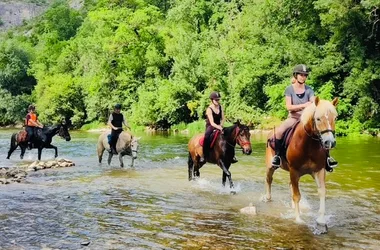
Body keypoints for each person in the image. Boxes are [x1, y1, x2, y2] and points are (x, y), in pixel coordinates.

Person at [271, 64, 338, 169]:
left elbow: (313, 101)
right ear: (296, 75)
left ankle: (327, 158)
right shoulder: (289, 89)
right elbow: (288, 106)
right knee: (279, 132)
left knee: (322, 132)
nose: (303, 77)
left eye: (305, 75)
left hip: (306, 120)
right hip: (293, 118)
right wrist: (303, 105)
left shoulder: (309, 89)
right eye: (301, 75)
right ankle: (278, 156)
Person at [200, 91, 238, 164]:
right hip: (211, 126)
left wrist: (221, 125)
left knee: (230, 137)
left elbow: (223, 118)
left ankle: (232, 156)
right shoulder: (209, 109)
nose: (217, 101)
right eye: (216, 99)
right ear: (212, 100)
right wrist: (219, 127)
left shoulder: (221, 107)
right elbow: (212, 122)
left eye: (218, 99)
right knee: (206, 137)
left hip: (219, 125)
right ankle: (204, 155)